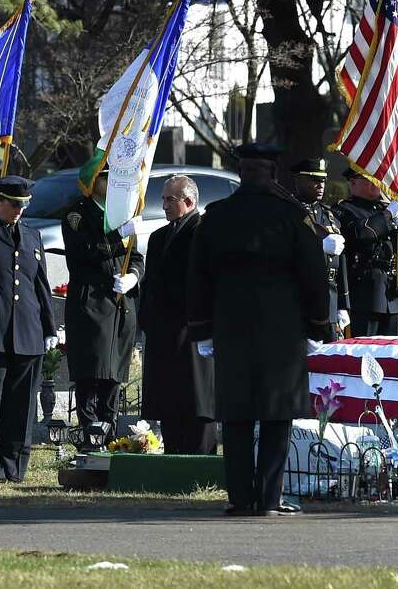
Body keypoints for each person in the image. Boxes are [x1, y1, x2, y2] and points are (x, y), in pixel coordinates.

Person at [187, 143, 330, 516]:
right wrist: (318, 324)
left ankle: (239, 497)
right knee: (275, 415)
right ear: (271, 172)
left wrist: (202, 329)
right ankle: (268, 498)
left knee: (237, 414)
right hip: (281, 331)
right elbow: (313, 274)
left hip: (231, 327)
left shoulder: (215, 216)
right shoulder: (292, 216)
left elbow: (197, 278)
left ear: (241, 172)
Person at [0, 176, 58, 482]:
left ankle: (14, 466)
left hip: (28, 331)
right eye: (13, 204)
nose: (18, 210)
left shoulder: (32, 236)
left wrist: (49, 325)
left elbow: (39, 284)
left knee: (22, 406)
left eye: (23, 205)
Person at [62, 169, 144, 440]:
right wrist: (116, 233)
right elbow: (83, 250)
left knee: (114, 374)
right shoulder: (77, 214)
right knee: (91, 371)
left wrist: (133, 276)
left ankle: (109, 434)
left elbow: (134, 256)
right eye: (107, 177)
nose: (112, 184)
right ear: (93, 181)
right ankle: (89, 433)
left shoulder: (120, 212)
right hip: (92, 304)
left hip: (121, 304)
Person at [139, 175, 215, 454]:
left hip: (193, 329)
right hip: (164, 331)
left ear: (189, 201)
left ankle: (199, 461)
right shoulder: (160, 236)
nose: (164, 205)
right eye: (163, 199)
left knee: (196, 402)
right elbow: (151, 282)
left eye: (170, 199)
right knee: (169, 400)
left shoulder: (203, 231)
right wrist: (146, 319)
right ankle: (173, 454)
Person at [335, 168, 398, 336]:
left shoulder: (385, 208)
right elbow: (361, 234)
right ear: (353, 182)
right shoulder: (345, 209)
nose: (377, 182)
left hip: (392, 292)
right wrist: (388, 215)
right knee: (365, 352)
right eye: (370, 178)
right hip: (366, 294)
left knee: (391, 355)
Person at [291, 158, 350, 338]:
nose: (321, 185)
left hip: (329, 299)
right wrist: (318, 246)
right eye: (314, 180)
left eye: (323, 180)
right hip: (300, 300)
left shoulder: (329, 216)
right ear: (299, 180)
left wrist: (342, 305)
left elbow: (341, 263)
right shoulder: (290, 213)